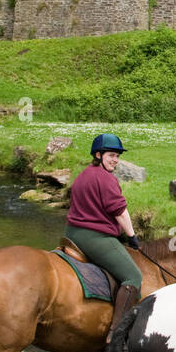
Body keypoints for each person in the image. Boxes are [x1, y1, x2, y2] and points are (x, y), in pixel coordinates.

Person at [65, 132, 143, 328]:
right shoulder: (105, 178)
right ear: (98, 155)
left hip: (71, 233)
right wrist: (132, 236)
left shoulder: (83, 175)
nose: (115, 160)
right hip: (94, 237)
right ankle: (116, 331)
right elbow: (120, 212)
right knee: (134, 276)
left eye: (117, 156)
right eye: (111, 155)